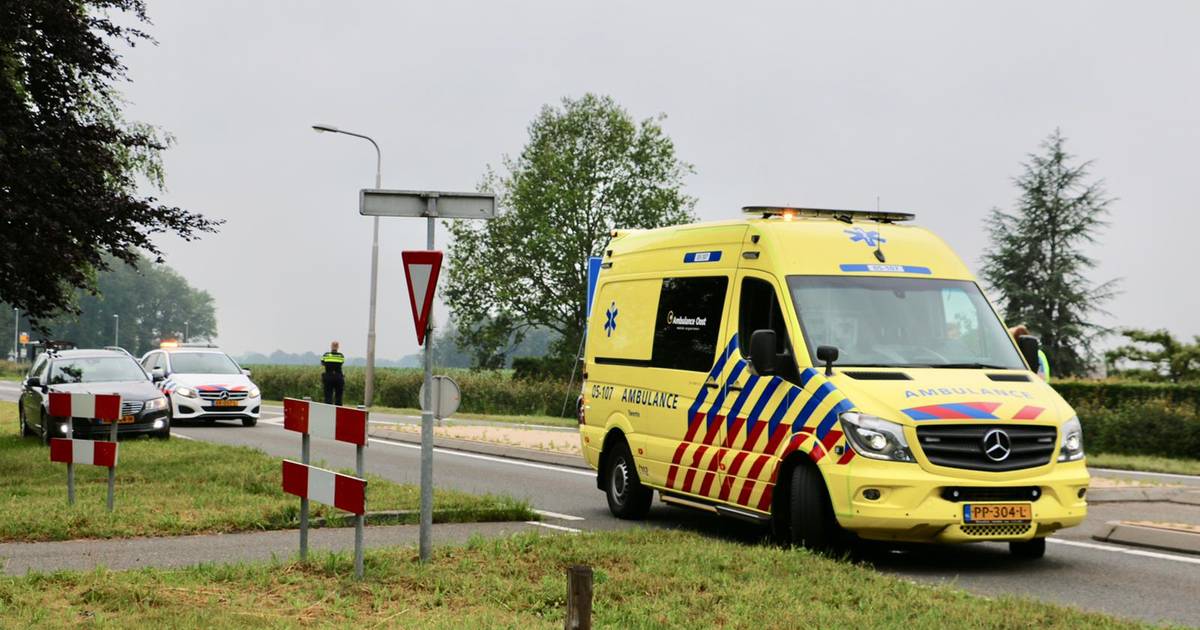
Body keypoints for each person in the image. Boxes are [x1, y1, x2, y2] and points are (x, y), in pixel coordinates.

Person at [320, 341, 345, 405]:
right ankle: (338, 410)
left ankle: (328, 410)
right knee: (339, 396)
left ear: (331, 346)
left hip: (328, 376)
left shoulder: (326, 355)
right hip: (338, 377)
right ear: (338, 347)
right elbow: (342, 363)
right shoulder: (341, 356)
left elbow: (322, 363)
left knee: (328, 395)